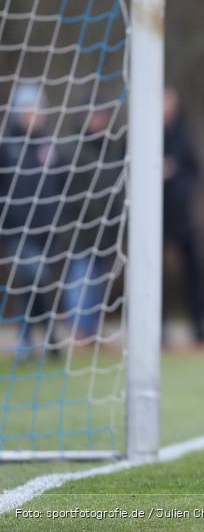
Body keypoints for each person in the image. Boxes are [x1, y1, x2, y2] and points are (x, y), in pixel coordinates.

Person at [0, 83, 63, 359]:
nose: (35, 115)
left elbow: (63, 184)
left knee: (33, 284)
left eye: (38, 109)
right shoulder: (6, 146)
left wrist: (58, 216)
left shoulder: (50, 147)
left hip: (46, 231)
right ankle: (49, 337)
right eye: (29, 110)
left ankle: (30, 340)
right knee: (36, 277)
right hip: (16, 230)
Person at [59, 96, 126, 339]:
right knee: (81, 276)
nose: (99, 120)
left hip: (105, 230)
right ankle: (78, 330)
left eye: (102, 115)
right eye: (94, 115)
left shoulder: (112, 149)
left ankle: (91, 329)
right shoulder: (71, 149)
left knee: (98, 280)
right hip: (79, 229)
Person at [162, 87, 204, 346]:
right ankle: (157, 329)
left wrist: (181, 186)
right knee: (154, 274)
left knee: (194, 271)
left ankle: (199, 328)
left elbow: (195, 172)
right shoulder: (141, 134)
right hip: (155, 219)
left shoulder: (183, 136)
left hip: (181, 216)